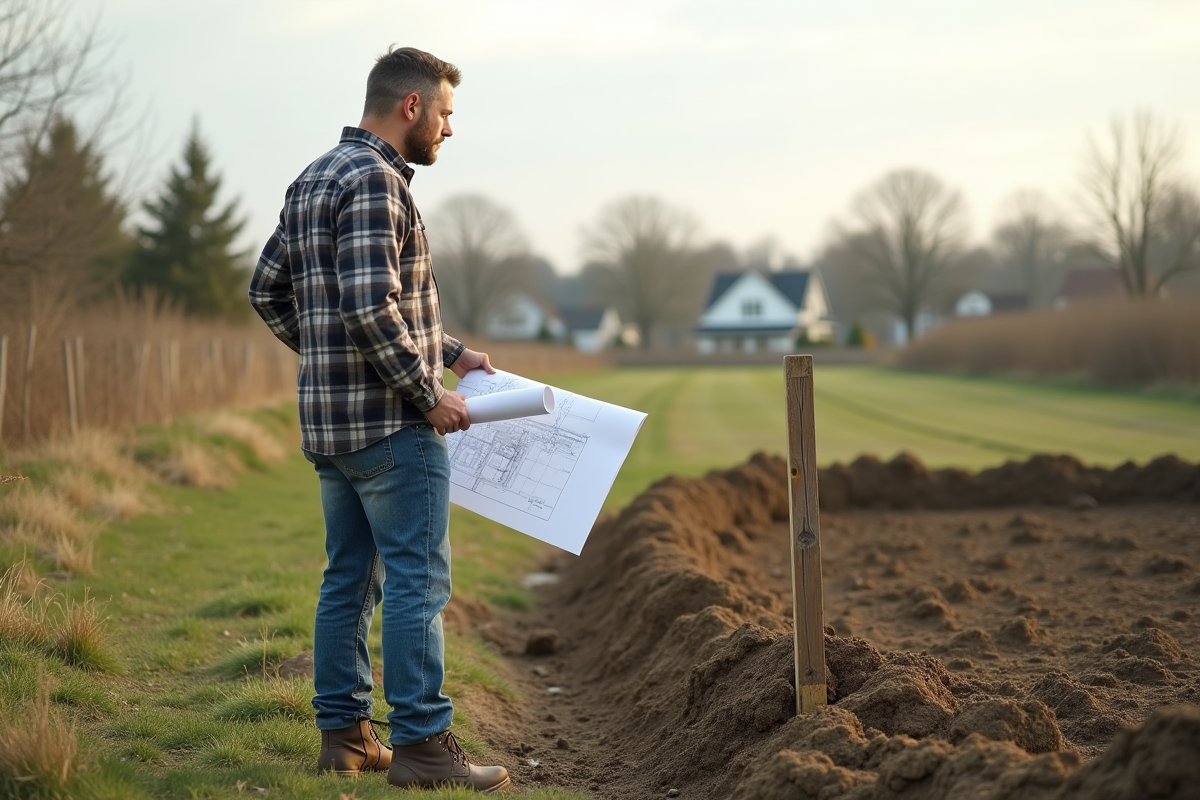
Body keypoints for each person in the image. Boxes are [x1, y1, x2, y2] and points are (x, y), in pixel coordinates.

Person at [248, 46, 510, 793]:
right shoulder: (375, 181)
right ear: (412, 107)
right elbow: (368, 305)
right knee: (416, 584)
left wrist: (453, 354)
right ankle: (426, 747)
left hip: (334, 433)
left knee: (347, 580)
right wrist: (427, 392)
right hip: (394, 432)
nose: (449, 130)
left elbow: (271, 291)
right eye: (447, 114)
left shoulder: (315, 177)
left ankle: (347, 739)